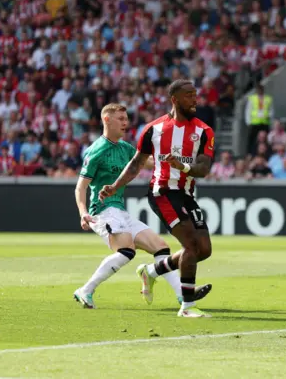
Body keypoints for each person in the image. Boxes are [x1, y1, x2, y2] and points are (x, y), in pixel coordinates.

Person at [74, 103, 211, 309]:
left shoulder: (126, 148)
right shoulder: (96, 151)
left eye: (126, 118)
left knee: (161, 247)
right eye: (120, 118)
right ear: (106, 120)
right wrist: (83, 213)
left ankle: (182, 295)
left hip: (119, 210)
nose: (125, 122)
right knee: (126, 250)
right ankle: (86, 290)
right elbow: (80, 187)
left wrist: (173, 160)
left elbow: (149, 163)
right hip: (102, 211)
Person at [99, 80, 215, 318]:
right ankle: (187, 306)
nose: (194, 100)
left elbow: (203, 168)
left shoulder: (204, 131)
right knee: (191, 245)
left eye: (195, 95)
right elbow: (136, 164)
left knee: (203, 250)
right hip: (162, 193)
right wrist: (114, 186)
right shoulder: (153, 129)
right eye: (188, 96)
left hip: (187, 194)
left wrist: (180, 166)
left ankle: (151, 271)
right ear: (174, 99)